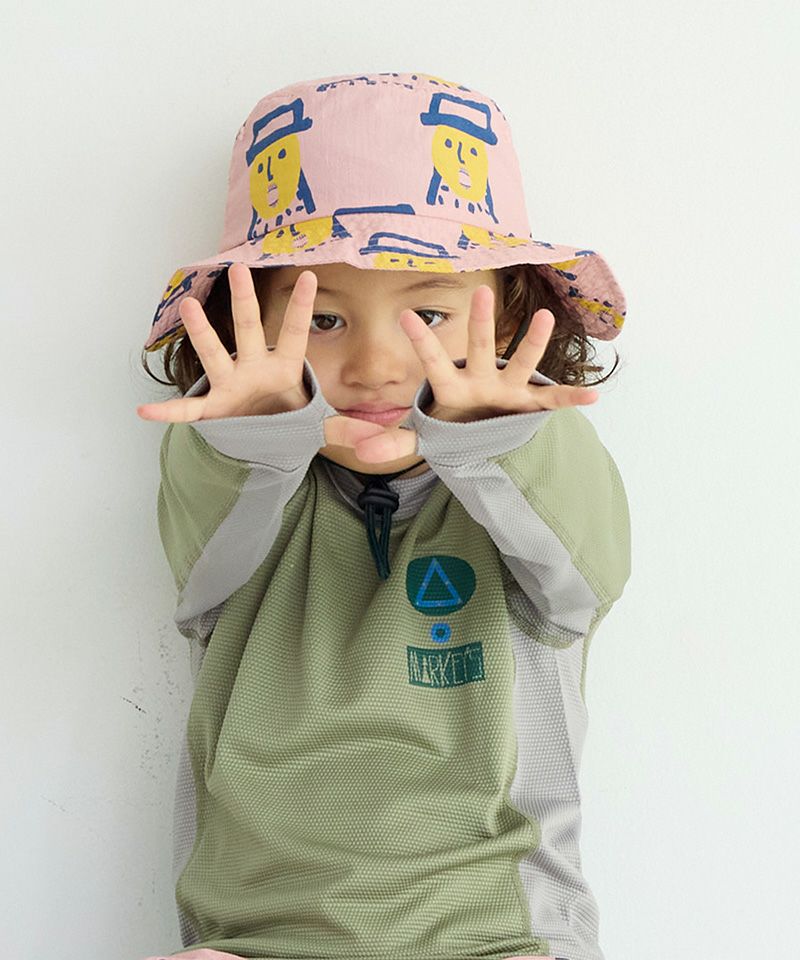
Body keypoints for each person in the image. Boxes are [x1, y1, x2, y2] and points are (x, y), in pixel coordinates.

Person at [136, 71, 631, 960]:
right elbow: (212, 523)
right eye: (321, 320)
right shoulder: (241, 491)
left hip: (496, 940)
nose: (374, 366)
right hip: (258, 940)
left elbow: (588, 569)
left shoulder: (530, 487)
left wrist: (487, 438)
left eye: (428, 314)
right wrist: (262, 429)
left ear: (511, 320)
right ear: (247, 330)